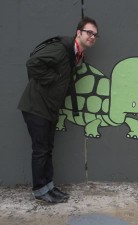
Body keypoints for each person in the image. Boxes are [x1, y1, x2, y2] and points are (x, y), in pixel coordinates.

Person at [18, 17, 99, 204]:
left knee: (47, 149)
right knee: (40, 150)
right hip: (36, 106)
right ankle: (40, 191)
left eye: (95, 34)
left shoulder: (76, 54)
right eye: (89, 32)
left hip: (49, 108)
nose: (92, 37)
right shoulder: (62, 48)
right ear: (78, 32)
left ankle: (49, 187)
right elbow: (32, 63)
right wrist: (52, 79)